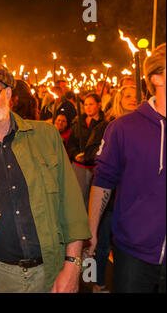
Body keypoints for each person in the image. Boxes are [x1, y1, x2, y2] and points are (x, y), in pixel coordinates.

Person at [0, 63, 90, 293]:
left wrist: (73, 266)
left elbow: (72, 208)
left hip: (50, 271)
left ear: (8, 94)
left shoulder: (46, 136)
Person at [87, 43, 166, 293]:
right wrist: (91, 231)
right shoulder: (123, 128)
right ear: (156, 77)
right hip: (133, 252)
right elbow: (103, 181)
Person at [83, 84, 138, 293]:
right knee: (101, 244)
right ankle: (98, 283)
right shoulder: (109, 126)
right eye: (128, 96)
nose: (133, 99)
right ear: (119, 100)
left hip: (130, 201)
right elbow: (92, 156)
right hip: (109, 198)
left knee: (125, 250)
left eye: (135, 96)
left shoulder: (152, 129)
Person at [67, 93, 104, 208]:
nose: (88, 107)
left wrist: (90, 155)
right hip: (79, 166)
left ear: (99, 105)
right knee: (79, 198)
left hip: (95, 166)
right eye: (86, 104)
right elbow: (71, 143)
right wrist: (75, 154)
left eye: (91, 104)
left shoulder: (105, 124)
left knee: (94, 200)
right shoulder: (78, 123)